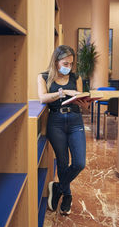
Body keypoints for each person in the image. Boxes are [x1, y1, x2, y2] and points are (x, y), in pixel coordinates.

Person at [37, 45, 90, 215]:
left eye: (71, 64)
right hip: (56, 122)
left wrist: (86, 105)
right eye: (66, 63)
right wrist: (62, 93)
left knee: (79, 162)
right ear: (56, 61)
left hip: (75, 120)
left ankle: (58, 187)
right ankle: (67, 195)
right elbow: (42, 98)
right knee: (62, 162)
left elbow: (82, 103)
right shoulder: (44, 77)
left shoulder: (76, 77)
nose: (69, 66)